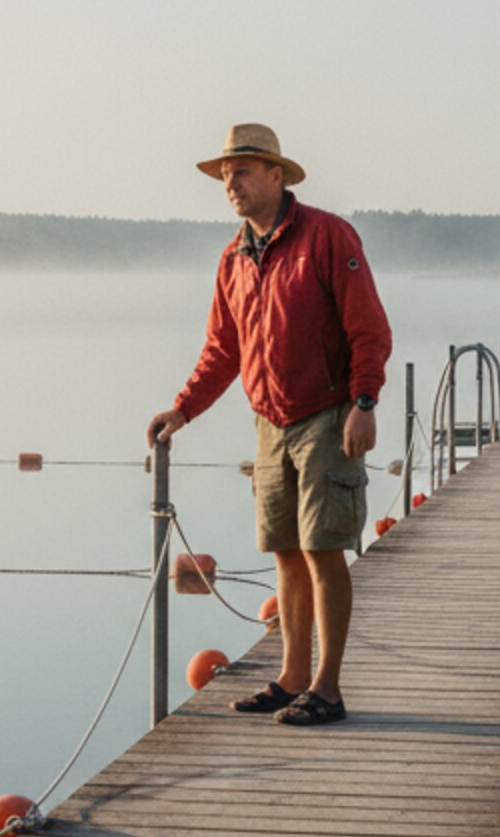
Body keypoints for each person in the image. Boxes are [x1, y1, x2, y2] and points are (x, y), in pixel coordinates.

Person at [148, 123, 392, 727]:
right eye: (226, 173)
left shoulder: (328, 236)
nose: (231, 182)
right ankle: (290, 679)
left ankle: (328, 688)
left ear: (276, 176)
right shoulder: (233, 258)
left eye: (244, 171)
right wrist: (183, 408)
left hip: (330, 415)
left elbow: (369, 327)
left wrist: (364, 402)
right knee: (283, 550)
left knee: (323, 548)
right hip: (270, 421)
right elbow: (222, 349)